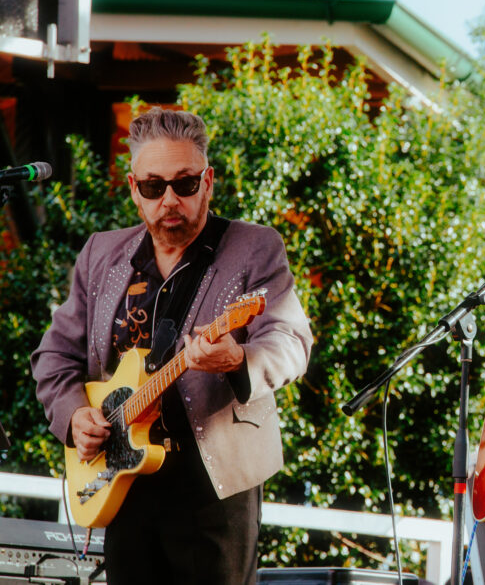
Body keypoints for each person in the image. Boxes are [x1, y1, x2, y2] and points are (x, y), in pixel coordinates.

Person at [30, 107, 313, 585]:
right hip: (122, 478)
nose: (170, 200)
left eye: (184, 184)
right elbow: (55, 356)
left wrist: (239, 358)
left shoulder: (256, 247)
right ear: (133, 189)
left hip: (215, 484)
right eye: (153, 186)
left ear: (208, 181)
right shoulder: (101, 253)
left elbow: (290, 339)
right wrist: (76, 414)